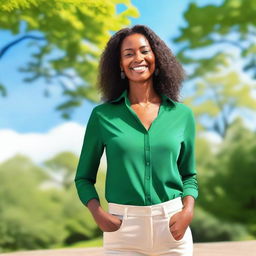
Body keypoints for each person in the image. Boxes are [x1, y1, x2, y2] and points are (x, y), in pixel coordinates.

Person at [74, 24, 199, 256]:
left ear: (156, 57)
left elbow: (189, 175)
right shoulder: (103, 116)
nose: (137, 58)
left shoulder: (182, 115)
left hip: (172, 228)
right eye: (128, 54)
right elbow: (83, 177)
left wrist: (188, 211)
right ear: (120, 64)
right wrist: (98, 213)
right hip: (122, 230)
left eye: (144, 51)